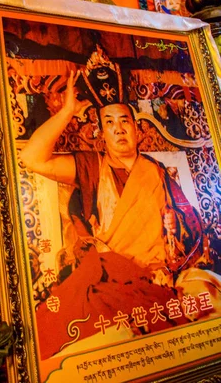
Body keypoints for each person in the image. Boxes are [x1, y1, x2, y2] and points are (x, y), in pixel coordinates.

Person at [20, 53, 218, 359]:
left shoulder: (156, 172)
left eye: (124, 121)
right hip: (110, 280)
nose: (118, 129)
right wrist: (68, 112)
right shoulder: (91, 167)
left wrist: (170, 262)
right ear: (100, 131)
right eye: (109, 122)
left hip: (161, 277)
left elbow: (190, 229)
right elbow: (31, 158)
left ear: (138, 129)